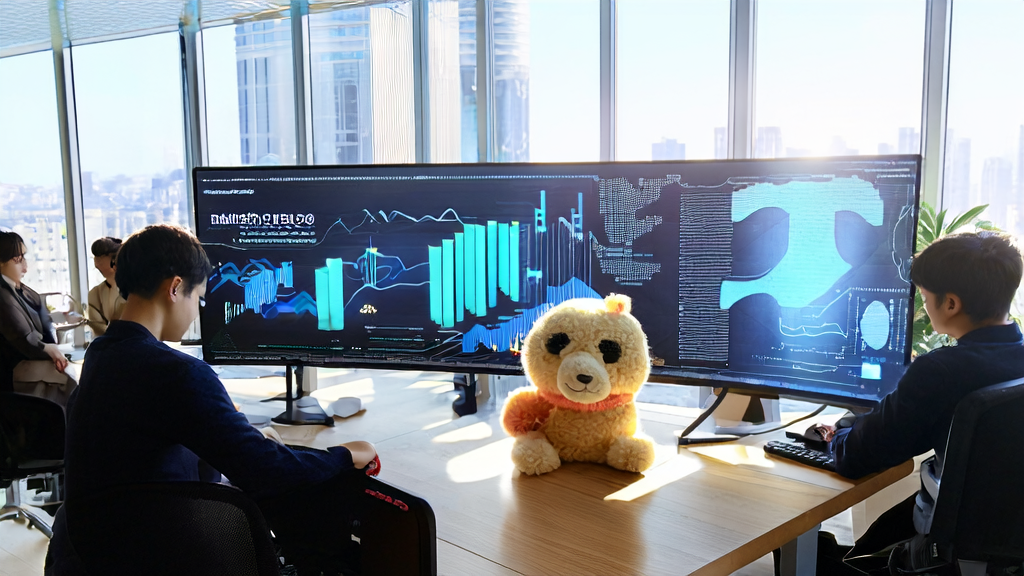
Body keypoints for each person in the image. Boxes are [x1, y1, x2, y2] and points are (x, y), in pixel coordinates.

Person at [45, 224, 377, 575]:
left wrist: (240, 434)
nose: (196, 312)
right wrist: (345, 454)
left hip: (94, 554)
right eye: (198, 298)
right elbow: (266, 471)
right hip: (157, 554)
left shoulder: (102, 356)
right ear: (175, 288)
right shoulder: (176, 372)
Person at [813, 231, 1024, 575]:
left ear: (951, 304)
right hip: (1000, 543)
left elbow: (860, 456)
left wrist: (837, 433)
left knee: (818, 555)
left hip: (941, 552)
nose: (922, 306)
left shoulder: (940, 372)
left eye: (925, 297)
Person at [0, 230, 75, 405]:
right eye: (18, 260)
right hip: (12, 370)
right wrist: (48, 349)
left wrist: (51, 349)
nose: (25, 267)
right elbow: (21, 336)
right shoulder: (4, 294)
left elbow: (43, 323)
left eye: (23, 258)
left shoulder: (20, 289)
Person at [85, 236, 125, 337]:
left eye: (101, 257)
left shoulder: (137, 289)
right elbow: (99, 330)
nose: (97, 262)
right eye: (96, 258)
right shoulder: (95, 294)